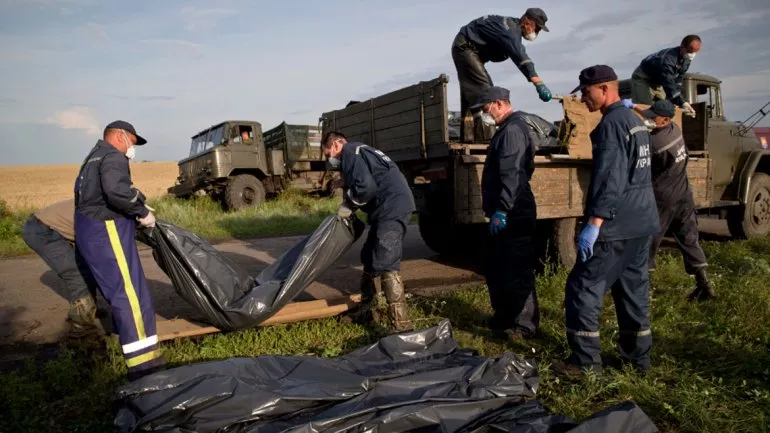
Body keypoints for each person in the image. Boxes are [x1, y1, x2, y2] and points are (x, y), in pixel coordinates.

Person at [555, 65, 660, 377]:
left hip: (616, 224)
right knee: (632, 289)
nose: (583, 99)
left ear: (604, 89)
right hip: (642, 221)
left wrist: (595, 222)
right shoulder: (635, 121)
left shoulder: (611, 124)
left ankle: (585, 364)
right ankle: (637, 360)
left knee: (583, 287)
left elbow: (610, 178)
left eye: (586, 92)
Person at [73, 120, 165, 381]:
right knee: (131, 296)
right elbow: (116, 191)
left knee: (116, 292)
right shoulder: (113, 156)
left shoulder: (93, 157)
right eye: (132, 143)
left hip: (90, 232)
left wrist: (135, 205)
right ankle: (146, 369)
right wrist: (142, 211)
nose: (132, 150)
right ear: (120, 136)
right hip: (107, 231)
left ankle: (123, 344)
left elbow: (98, 195)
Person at [321, 131, 416, 332]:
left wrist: (348, 206)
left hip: (392, 207)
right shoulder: (359, 150)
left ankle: (401, 326)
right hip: (386, 208)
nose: (329, 159)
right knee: (369, 256)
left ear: (337, 145)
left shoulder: (349, 152)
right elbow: (369, 176)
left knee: (386, 260)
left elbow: (366, 188)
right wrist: (345, 182)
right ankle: (367, 310)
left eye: (327, 153)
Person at [472, 86, 540, 341]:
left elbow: (513, 174)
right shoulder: (508, 130)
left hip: (513, 211)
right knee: (499, 265)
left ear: (500, 104)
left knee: (517, 269)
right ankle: (505, 317)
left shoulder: (512, 130)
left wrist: (503, 209)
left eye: (485, 108)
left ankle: (524, 326)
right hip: (507, 209)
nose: (483, 114)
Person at [630, 99, 716, 301]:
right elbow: (650, 117)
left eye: (654, 117)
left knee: (649, 239)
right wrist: (633, 106)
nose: (650, 118)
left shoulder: (655, 144)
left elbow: (639, 163)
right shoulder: (675, 129)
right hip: (683, 195)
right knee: (689, 239)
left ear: (665, 119)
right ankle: (705, 285)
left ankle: (643, 291)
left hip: (663, 199)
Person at [451, 8, 552, 143]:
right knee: (487, 95)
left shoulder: (511, 28)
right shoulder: (509, 31)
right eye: (537, 28)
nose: (536, 32)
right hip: (465, 48)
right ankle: (487, 140)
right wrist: (539, 83)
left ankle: (468, 137)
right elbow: (521, 57)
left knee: (473, 93)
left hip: (468, 49)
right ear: (527, 22)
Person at [21, 199, 101, 336]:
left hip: (51, 228)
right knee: (76, 274)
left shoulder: (104, 203)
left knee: (87, 267)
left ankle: (89, 308)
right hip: (42, 230)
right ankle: (81, 329)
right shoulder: (101, 211)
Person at [630, 35, 701, 117]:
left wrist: (681, 102)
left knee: (666, 108)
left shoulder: (686, 60)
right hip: (643, 78)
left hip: (658, 81)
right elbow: (669, 84)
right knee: (645, 107)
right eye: (690, 51)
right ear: (682, 46)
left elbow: (678, 81)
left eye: (695, 52)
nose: (692, 55)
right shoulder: (668, 59)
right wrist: (682, 102)